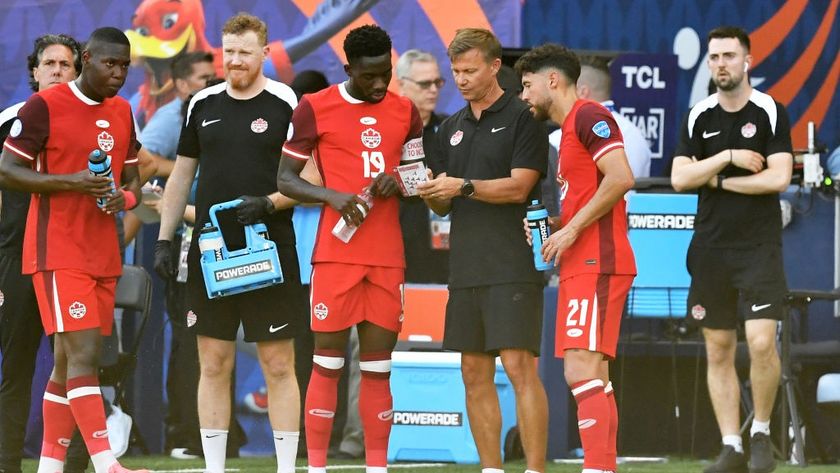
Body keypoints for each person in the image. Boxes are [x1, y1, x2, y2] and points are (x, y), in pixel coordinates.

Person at [153, 13, 317, 473]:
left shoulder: (287, 101)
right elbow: (181, 176)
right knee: (213, 360)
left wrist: (267, 203)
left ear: (265, 53)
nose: (235, 61)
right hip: (211, 254)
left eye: (245, 52)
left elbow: (314, 177)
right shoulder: (201, 103)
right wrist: (166, 240)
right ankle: (214, 467)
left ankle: (286, 466)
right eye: (229, 52)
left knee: (279, 363)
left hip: (270, 248)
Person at [276, 24, 423, 473]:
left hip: (386, 255)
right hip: (335, 255)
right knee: (327, 363)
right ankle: (317, 467)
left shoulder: (406, 111)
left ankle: (376, 468)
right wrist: (331, 196)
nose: (379, 84)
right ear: (347, 69)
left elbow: (420, 175)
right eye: (369, 76)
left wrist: (399, 180)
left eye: (387, 74)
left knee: (379, 368)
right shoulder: (314, 108)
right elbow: (284, 179)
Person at [0, 27, 146, 473]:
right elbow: (6, 171)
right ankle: (107, 464)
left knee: (66, 365)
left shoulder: (122, 112)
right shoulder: (42, 107)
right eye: (109, 64)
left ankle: (49, 466)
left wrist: (127, 199)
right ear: (88, 58)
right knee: (83, 356)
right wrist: (72, 183)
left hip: (103, 251)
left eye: (124, 66)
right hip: (55, 249)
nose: (118, 74)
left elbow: (133, 181)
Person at [416, 28, 549, 473]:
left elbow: (520, 186)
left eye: (469, 70)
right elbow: (445, 203)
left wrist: (464, 185)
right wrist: (429, 191)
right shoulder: (451, 127)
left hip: (512, 262)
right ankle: (490, 468)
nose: (461, 79)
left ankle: (534, 469)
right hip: (465, 264)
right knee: (472, 373)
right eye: (455, 71)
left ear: (495, 67)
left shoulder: (523, 116)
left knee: (518, 367)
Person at [671, 26, 793, 473]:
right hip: (710, 246)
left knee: (761, 342)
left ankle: (759, 431)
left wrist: (718, 181)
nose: (720, 63)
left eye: (728, 55)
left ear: (748, 61)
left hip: (758, 245)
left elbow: (778, 179)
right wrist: (726, 158)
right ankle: (731, 446)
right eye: (714, 56)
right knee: (718, 347)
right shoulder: (698, 116)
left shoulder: (769, 111)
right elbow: (680, 178)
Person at [515, 43, 637, 473]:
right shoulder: (565, 132)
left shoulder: (588, 115)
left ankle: (596, 468)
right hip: (582, 261)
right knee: (595, 378)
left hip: (596, 261)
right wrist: (553, 222)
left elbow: (621, 177)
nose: (524, 96)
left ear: (553, 80)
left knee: (580, 372)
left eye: (527, 86)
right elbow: (589, 194)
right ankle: (603, 467)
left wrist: (570, 229)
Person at [0, 33, 82, 473]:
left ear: (77, 71)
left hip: (71, 259)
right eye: (48, 63)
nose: (56, 70)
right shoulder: (9, 120)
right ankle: (7, 463)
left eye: (65, 64)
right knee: (15, 368)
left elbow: (135, 169)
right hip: (16, 259)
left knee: (80, 368)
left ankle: (77, 463)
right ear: (34, 71)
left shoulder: (93, 119)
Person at [138, 51, 216, 460]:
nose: (212, 83)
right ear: (182, 85)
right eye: (203, 78)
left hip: (216, 247)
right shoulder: (176, 116)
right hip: (187, 247)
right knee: (192, 343)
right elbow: (143, 161)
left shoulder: (216, 115)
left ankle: (211, 431)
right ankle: (188, 431)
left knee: (209, 346)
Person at [395, 49, 449, 284]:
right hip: (396, 243)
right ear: (402, 85)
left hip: (444, 244)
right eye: (425, 83)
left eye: (438, 82)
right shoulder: (387, 130)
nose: (433, 90)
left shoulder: (449, 128)